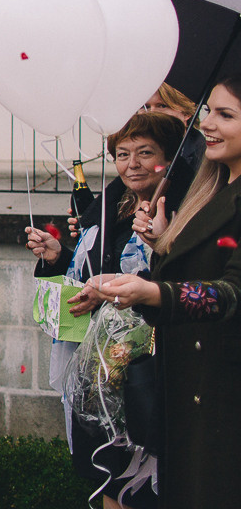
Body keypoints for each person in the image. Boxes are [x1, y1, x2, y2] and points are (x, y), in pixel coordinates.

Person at [92, 74, 241, 509]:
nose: (207, 124)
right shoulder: (213, 186)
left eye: (226, 115)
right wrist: (162, 247)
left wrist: (151, 293)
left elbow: (230, 293)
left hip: (223, 389)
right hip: (190, 384)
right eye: (208, 110)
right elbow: (201, 268)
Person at [25, 111, 187, 509]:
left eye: (145, 153)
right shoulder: (108, 205)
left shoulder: (181, 205)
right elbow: (90, 274)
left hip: (145, 365)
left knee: (142, 477)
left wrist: (159, 244)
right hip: (97, 368)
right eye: (122, 153)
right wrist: (58, 255)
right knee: (106, 479)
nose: (132, 164)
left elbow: (177, 281)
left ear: (168, 157)